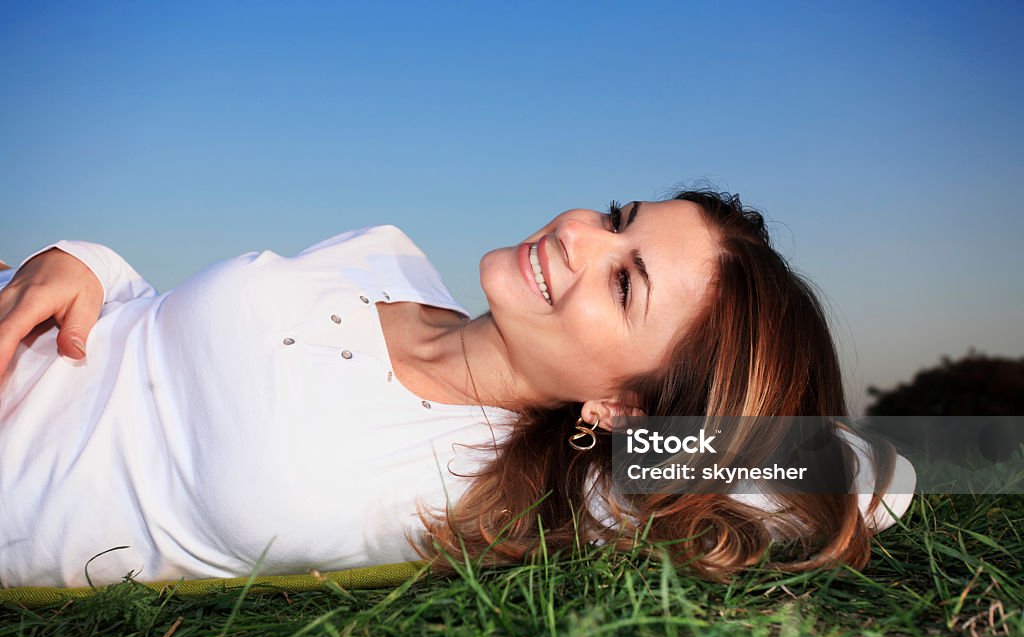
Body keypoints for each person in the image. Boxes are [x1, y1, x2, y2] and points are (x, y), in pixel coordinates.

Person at [0, 189, 915, 588]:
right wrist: (78, 260)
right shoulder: (387, 252)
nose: (577, 237)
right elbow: (147, 318)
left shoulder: (474, 490)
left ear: (626, 409)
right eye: (616, 218)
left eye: (624, 281)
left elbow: (862, 476)